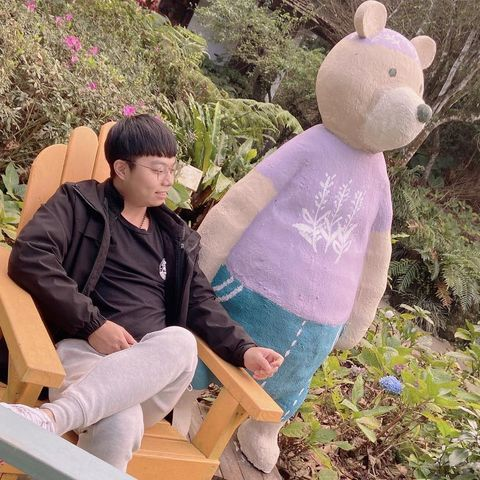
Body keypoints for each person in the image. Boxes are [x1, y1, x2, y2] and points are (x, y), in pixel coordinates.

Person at [0, 114, 283, 471]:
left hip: (152, 377)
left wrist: (244, 348)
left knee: (181, 342)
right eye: (157, 170)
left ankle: (51, 419)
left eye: (172, 169)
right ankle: (56, 422)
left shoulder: (172, 237)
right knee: (120, 422)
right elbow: (31, 255)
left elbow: (201, 301)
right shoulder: (78, 204)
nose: (168, 180)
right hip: (81, 355)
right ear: (121, 168)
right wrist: (93, 325)